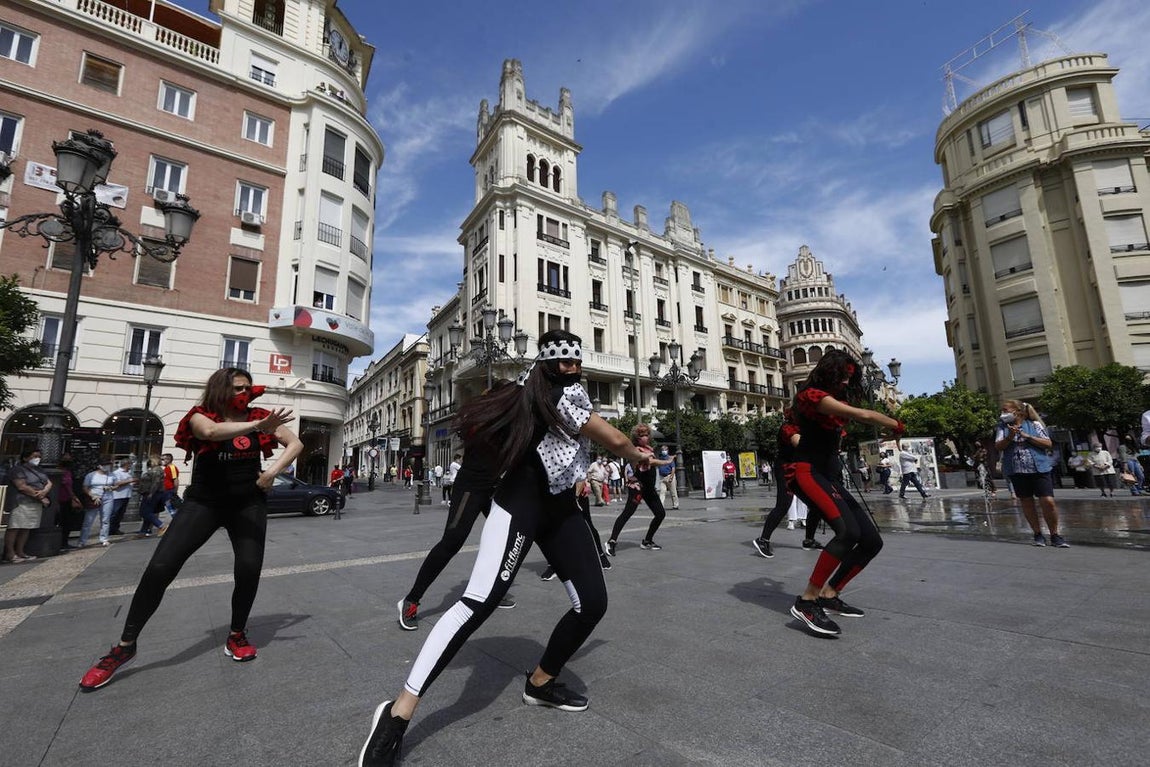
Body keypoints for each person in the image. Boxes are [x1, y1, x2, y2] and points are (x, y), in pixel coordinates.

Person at [358, 330, 656, 766]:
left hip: (562, 511)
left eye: (577, 363)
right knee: (477, 603)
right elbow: (615, 440)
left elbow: (577, 445)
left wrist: (579, 471)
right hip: (519, 506)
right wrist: (638, 455)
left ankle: (540, 682)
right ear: (547, 364)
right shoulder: (554, 395)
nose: (573, 370)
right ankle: (397, 713)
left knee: (592, 603)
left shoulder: (568, 394)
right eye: (564, 363)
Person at [78, 367, 301, 691]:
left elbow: (295, 444)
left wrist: (271, 473)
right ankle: (125, 647)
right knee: (160, 567)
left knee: (249, 568)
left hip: (248, 504)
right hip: (204, 504)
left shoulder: (260, 415)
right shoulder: (200, 415)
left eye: (248, 388)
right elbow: (210, 433)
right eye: (238, 388)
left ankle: (236, 634)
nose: (245, 393)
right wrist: (258, 425)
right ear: (221, 390)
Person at [786, 349, 904, 637]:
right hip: (807, 471)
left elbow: (852, 422)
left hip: (828, 476)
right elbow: (863, 415)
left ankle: (830, 593)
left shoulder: (834, 401)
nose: (845, 382)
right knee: (847, 533)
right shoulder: (810, 395)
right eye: (842, 376)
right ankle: (807, 601)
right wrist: (895, 424)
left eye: (850, 378)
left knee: (871, 541)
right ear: (830, 373)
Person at [399, 442, 516, 630]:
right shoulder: (484, 414)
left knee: (502, 538)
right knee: (452, 542)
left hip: (495, 486)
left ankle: (492, 593)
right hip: (472, 485)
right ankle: (412, 599)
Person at [994, 400, 1068, 548]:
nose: (1003, 414)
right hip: (1016, 469)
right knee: (1027, 502)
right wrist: (1010, 436)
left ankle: (1055, 534)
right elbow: (998, 446)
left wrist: (1028, 436)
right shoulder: (1002, 427)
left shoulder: (1035, 425)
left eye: (1006, 410)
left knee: (1048, 501)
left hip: (1039, 467)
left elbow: (1048, 443)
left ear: (1017, 411)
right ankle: (1038, 534)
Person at [752, 410, 822, 558]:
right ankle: (763, 540)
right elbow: (800, 444)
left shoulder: (805, 428)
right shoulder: (788, 428)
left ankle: (809, 540)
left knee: (817, 504)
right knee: (783, 504)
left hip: (800, 469)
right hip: (786, 469)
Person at [605, 424, 675, 555]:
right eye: (642, 435)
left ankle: (647, 541)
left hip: (648, 487)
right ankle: (611, 541)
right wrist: (665, 462)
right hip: (637, 486)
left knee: (660, 514)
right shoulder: (635, 450)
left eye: (647, 434)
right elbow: (649, 462)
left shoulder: (649, 449)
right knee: (627, 513)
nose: (645, 437)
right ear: (637, 437)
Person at [3, 449, 52, 562]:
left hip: (35, 503)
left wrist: (44, 491)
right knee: (14, 527)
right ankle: (10, 553)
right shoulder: (17, 470)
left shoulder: (39, 470)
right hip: (21, 502)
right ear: (25, 458)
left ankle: (20, 551)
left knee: (26, 528)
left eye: (39, 456)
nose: (37, 459)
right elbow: (21, 486)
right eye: (34, 456)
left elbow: (49, 482)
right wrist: (40, 496)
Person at [80, 458, 130, 548]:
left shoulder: (111, 475)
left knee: (105, 519)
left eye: (108, 465)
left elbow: (116, 485)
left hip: (108, 497)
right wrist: (92, 495)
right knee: (88, 520)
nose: (107, 467)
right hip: (94, 498)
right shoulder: (91, 475)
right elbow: (85, 487)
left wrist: (111, 488)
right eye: (105, 465)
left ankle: (104, 538)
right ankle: (82, 540)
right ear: (99, 466)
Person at [57, 452, 83, 551]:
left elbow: (69, 486)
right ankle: (60, 542)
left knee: (67, 522)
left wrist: (73, 497)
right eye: (66, 458)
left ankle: (64, 542)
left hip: (67, 499)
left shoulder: (68, 472)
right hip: (59, 499)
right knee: (60, 521)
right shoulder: (58, 471)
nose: (68, 461)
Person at [134, 458, 167, 537]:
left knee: (145, 512)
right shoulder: (156, 470)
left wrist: (151, 493)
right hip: (152, 493)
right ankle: (143, 531)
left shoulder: (156, 470)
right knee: (148, 512)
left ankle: (161, 525)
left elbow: (156, 482)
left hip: (152, 493)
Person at [108, 459, 136, 536]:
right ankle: (109, 529)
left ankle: (115, 528)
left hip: (126, 495)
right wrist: (130, 481)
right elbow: (117, 483)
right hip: (118, 496)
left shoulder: (128, 473)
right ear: (126, 465)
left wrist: (132, 482)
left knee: (121, 514)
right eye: (130, 464)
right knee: (115, 513)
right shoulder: (116, 473)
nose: (131, 466)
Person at [654, 445, 679, 510]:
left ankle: (675, 505)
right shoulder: (660, 458)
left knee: (673, 491)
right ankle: (661, 506)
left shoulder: (669, 459)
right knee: (662, 492)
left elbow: (673, 468)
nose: (663, 451)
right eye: (662, 450)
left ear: (667, 451)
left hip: (669, 476)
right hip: (662, 477)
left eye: (665, 450)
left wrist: (671, 477)